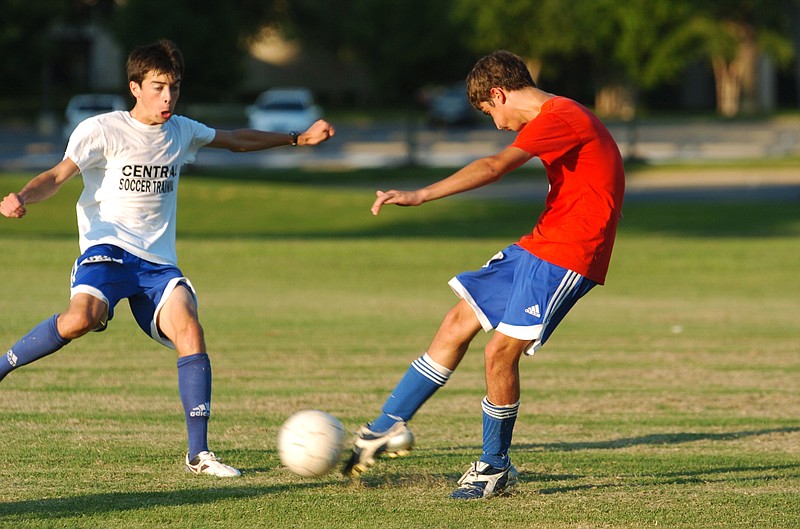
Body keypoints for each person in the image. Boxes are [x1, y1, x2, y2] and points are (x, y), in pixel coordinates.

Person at [0, 39, 335, 478]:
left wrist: (298, 138)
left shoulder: (181, 131)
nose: (167, 98)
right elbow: (57, 176)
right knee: (81, 318)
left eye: (173, 88)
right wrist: (22, 196)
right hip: (107, 250)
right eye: (158, 87)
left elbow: (235, 139)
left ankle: (199, 454)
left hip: (158, 265)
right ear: (135, 87)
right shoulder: (101, 130)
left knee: (189, 329)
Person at [342, 50, 625, 499]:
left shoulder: (562, 115)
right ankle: (384, 429)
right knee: (456, 323)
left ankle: (494, 467)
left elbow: (494, 167)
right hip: (537, 245)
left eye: (490, 111)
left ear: (498, 93)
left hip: (569, 255)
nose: (496, 123)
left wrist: (420, 195)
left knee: (498, 353)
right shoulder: (555, 118)